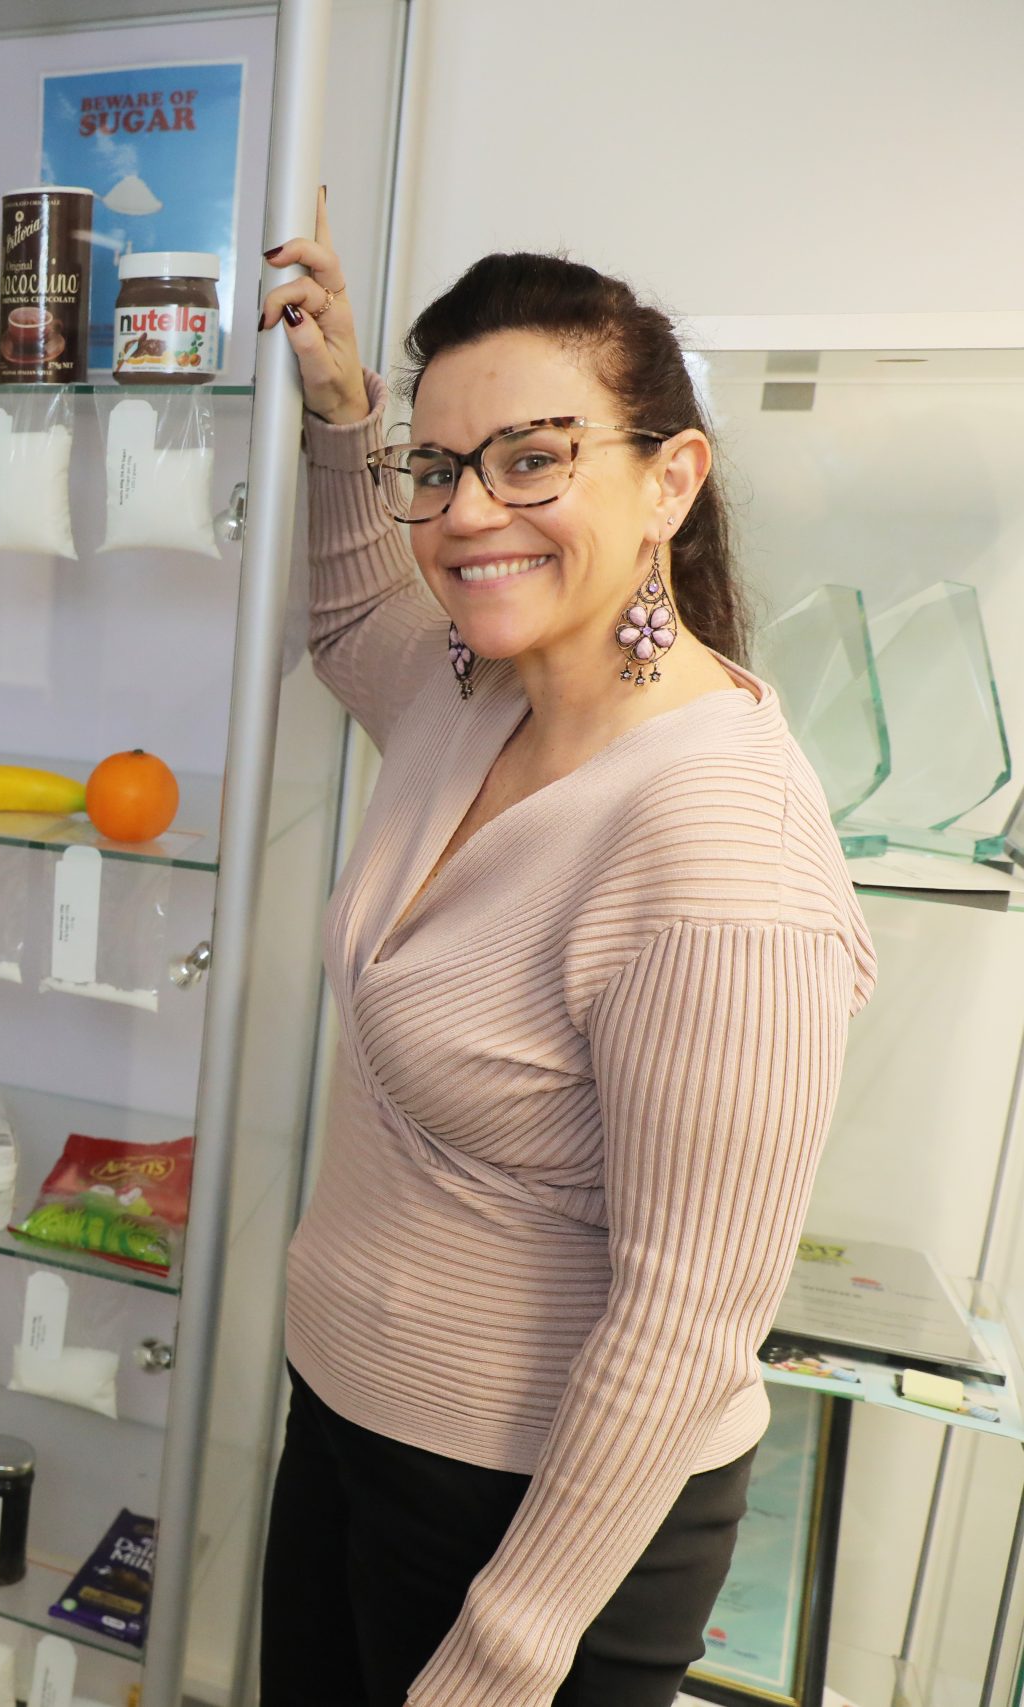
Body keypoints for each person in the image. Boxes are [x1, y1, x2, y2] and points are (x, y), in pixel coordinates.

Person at [254, 196, 876, 1705]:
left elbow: (686, 1320)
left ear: (671, 480)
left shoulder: (720, 846)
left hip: (541, 1527)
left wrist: (506, 1653)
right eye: (438, 468)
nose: (470, 513)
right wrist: (342, 420)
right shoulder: (477, 690)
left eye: (533, 458)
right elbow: (351, 623)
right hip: (351, 1427)